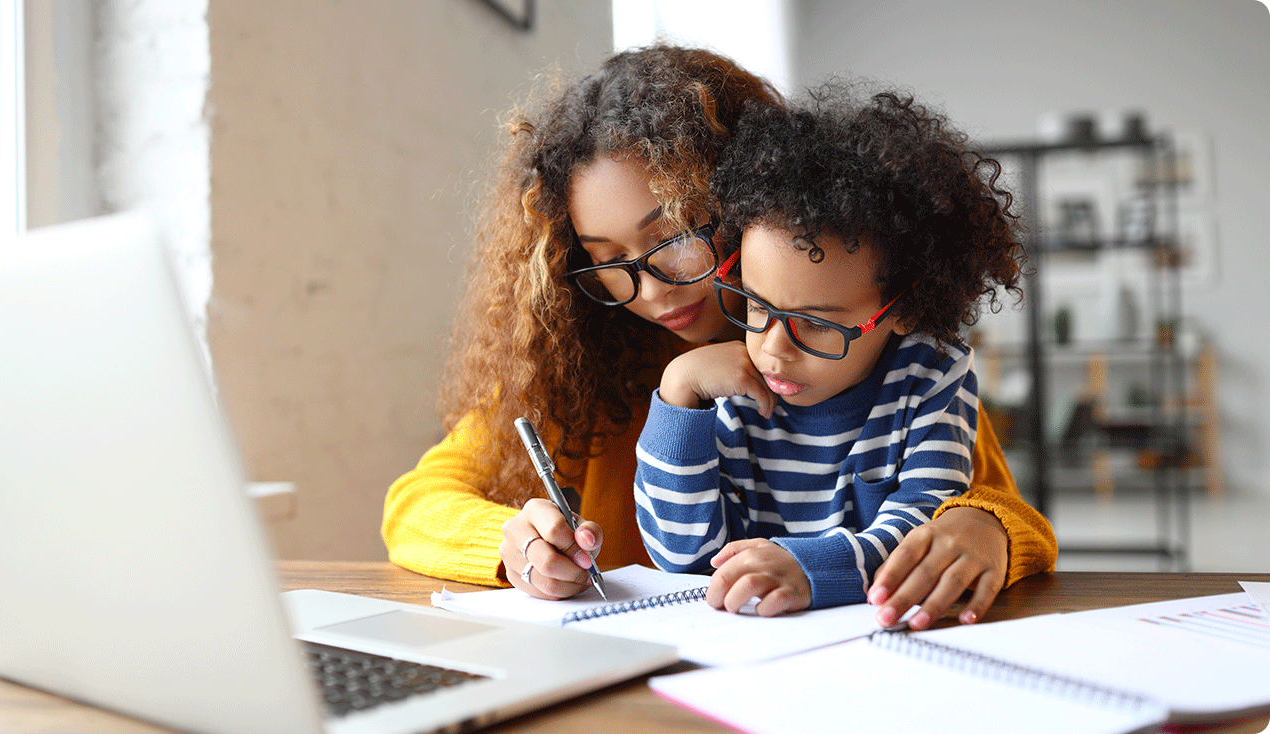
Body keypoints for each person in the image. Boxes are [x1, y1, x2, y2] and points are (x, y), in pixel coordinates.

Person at [381, 45, 1056, 629]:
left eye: (673, 238)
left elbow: (988, 502)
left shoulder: (866, 352)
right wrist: (510, 542)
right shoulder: (576, 365)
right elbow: (416, 503)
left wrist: (987, 527)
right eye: (609, 261)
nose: (650, 291)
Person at [636, 84, 1024, 619]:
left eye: (815, 324)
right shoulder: (731, 384)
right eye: (755, 305)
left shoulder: (931, 375)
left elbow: (922, 531)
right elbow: (682, 556)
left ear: (903, 309)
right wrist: (678, 394)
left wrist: (811, 568)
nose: (773, 348)